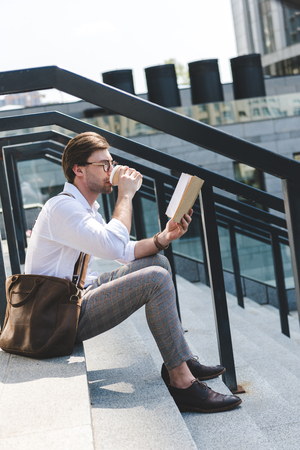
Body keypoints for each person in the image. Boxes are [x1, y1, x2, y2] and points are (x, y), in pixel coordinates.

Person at [25, 132, 242, 413]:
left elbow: (121, 252)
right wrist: (125, 195)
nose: (112, 171)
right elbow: (112, 243)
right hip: (54, 318)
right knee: (156, 279)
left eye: (111, 162)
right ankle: (182, 384)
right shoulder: (62, 208)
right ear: (79, 169)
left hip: (73, 298)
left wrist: (162, 239)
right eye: (104, 164)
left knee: (158, 263)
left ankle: (182, 360)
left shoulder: (85, 207)